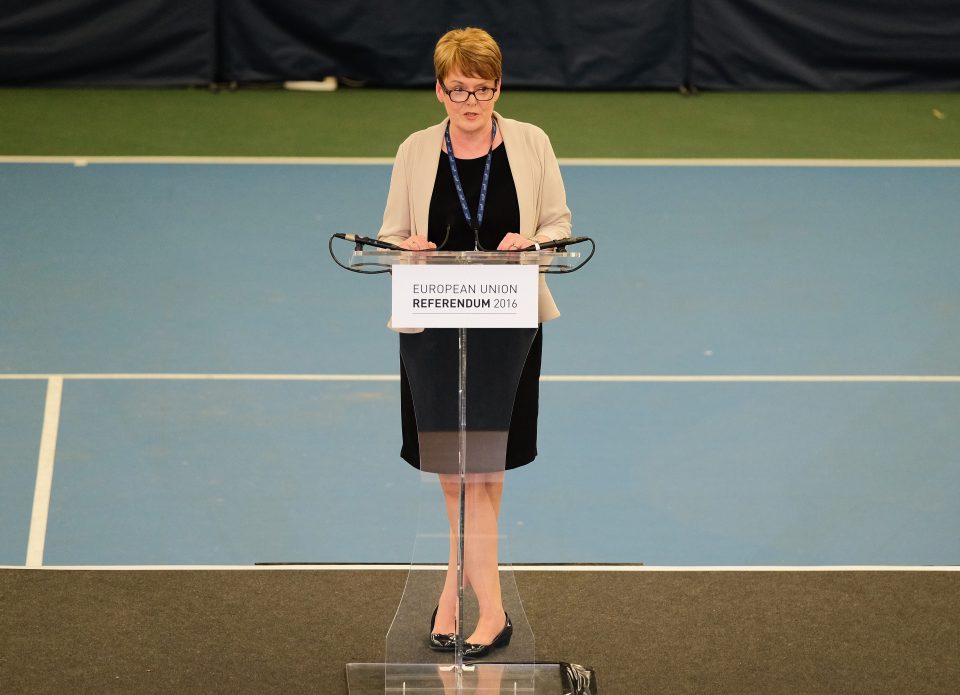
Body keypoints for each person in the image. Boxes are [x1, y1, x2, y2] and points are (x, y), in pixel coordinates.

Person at [377, 27, 572, 658]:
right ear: (439, 90)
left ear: (497, 88)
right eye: (459, 89)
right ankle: (462, 593)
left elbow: (558, 225)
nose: (471, 101)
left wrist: (529, 243)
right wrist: (405, 248)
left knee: (483, 468)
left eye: (482, 89)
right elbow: (391, 234)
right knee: (456, 473)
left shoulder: (531, 142)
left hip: (505, 322)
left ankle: (482, 606)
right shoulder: (413, 150)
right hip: (432, 325)